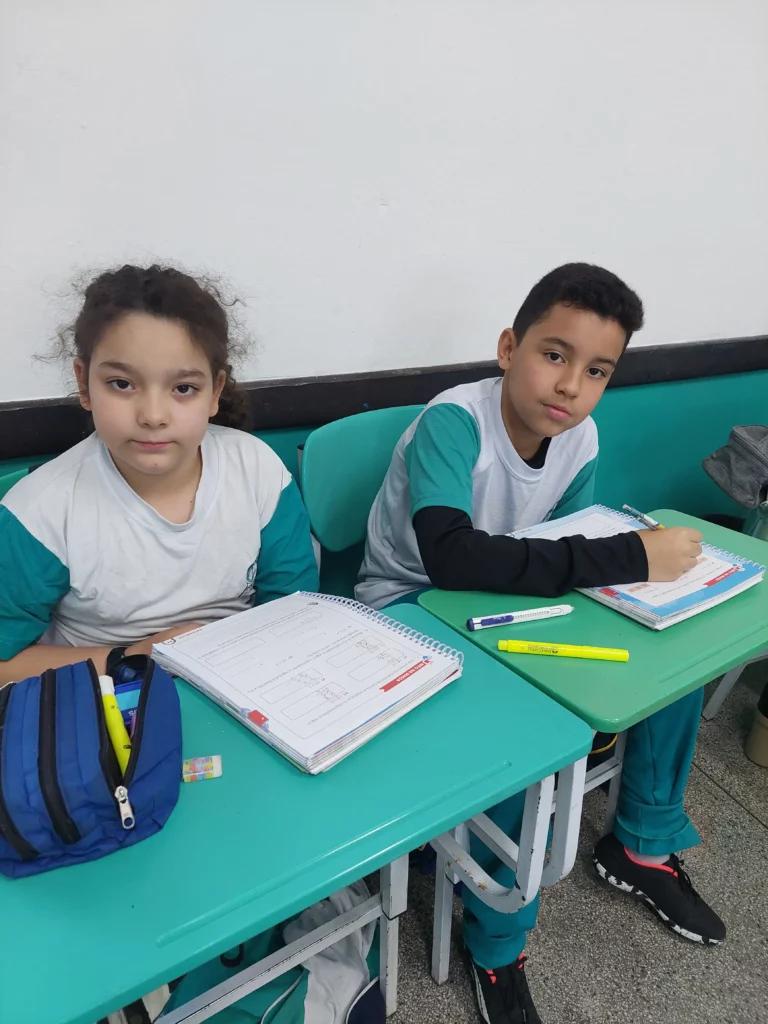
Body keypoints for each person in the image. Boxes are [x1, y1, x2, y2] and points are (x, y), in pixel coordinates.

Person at [357, 263, 725, 1024]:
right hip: (410, 607)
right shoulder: (454, 423)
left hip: (507, 604)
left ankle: (641, 842)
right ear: (508, 348)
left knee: (672, 662)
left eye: (596, 371)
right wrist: (630, 556)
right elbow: (451, 559)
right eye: (554, 355)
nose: (570, 386)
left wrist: (622, 573)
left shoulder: (579, 436)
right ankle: (497, 945)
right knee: (532, 735)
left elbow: (566, 542)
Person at [0, 262, 318, 679]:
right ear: (84, 384)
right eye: (122, 384)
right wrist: (131, 656)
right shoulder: (39, 513)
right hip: (107, 691)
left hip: (242, 679)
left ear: (215, 392)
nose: (153, 415)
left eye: (183, 388)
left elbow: (293, 609)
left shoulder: (257, 470)